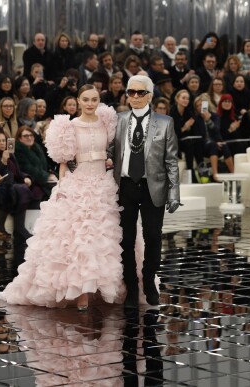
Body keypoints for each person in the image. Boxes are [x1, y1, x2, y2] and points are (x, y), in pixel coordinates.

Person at [0, 85, 129, 309]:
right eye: (85, 99)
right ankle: (81, 294)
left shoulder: (107, 122)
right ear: (78, 101)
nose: (90, 103)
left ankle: (101, 287)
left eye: (94, 99)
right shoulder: (67, 127)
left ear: (99, 100)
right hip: (78, 184)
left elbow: (113, 151)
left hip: (102, 185)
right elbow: (62, 163)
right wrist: (62, 187)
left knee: (102, 239)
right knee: (77, 240)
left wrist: (108, 161)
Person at [109, 75, 180, 308]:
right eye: (131, 92)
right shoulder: (118, 120)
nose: (136, 97)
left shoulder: (165, 122)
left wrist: (174, 194)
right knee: (126, 240)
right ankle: (131, 287)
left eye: (141, 93)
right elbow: (109, 151)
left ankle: (149, 280)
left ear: (150, 95)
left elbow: (171, 160)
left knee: (153, 236)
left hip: (154, 187)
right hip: (125, 186)